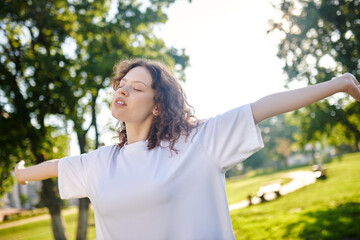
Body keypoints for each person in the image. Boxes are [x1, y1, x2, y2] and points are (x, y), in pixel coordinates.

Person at [14, 58, 360, 240]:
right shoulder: (101, 161)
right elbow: (59, 165)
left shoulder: (199, 142)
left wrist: (339, 84)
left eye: (136, 88)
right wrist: (21, 174)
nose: (123, 91)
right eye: (121, 85)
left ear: (157, 106)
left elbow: (264, 106)